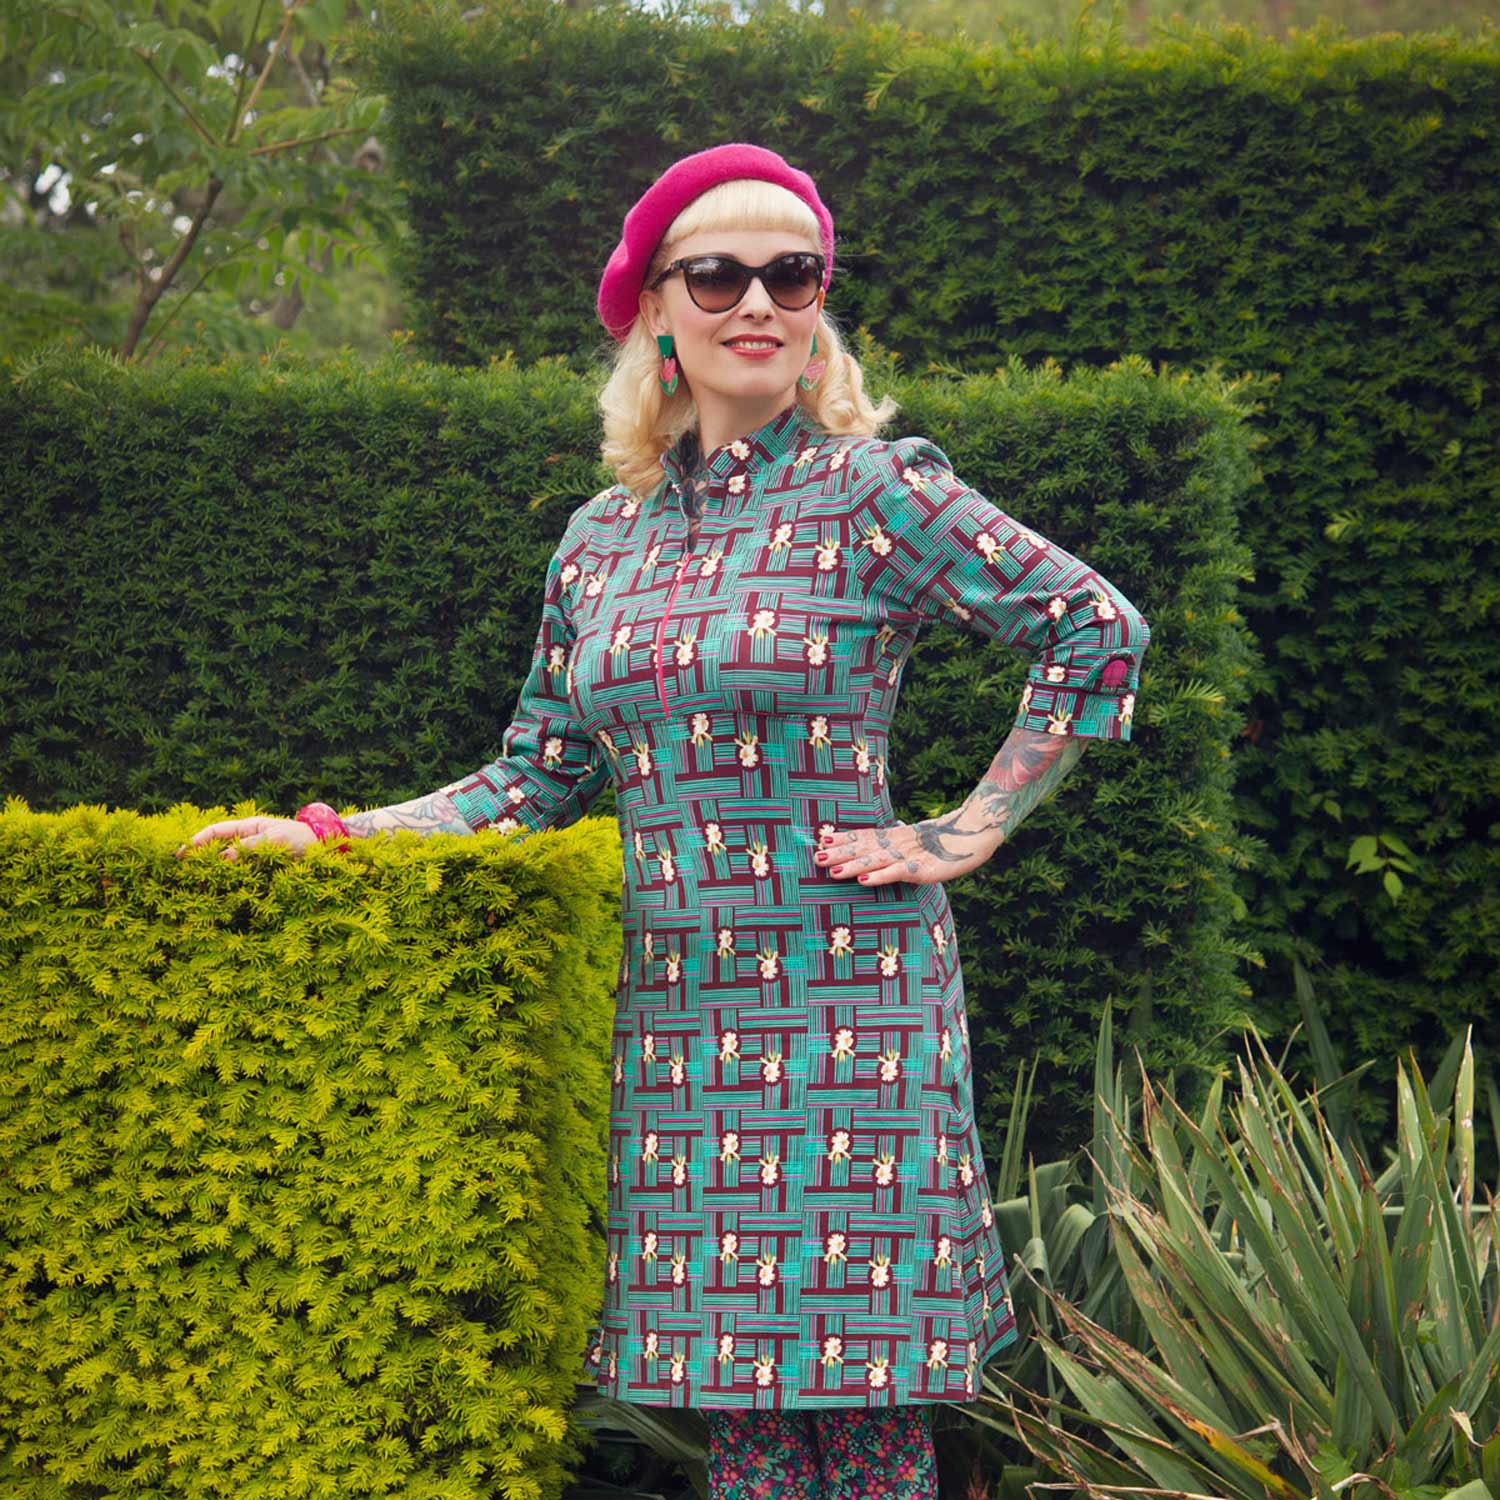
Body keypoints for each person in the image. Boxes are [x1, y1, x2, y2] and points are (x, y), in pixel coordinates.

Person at [180, 142, 1151, 1499]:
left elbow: (1093, 625)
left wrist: (970, 826)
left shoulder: (876, 493)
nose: (756, 300)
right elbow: (531, 778)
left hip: (851, 1004)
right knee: (742, 1413)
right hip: (682, 1020)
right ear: (656, 312)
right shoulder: (601, 541)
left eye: (792, 273)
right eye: (717, 275)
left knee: (866, 1411)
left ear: (818, 308)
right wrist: (338, 836)